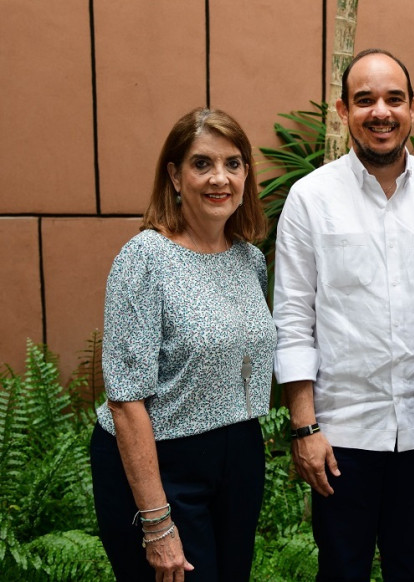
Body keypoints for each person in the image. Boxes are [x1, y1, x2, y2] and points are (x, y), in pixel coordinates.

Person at [272, 48, 414, 581]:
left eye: (393, 99)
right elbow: (293, 317)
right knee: (340, 568)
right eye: (364, 100)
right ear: (343, 111)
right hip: (342, 434)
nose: (380, 112)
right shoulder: (310, 199)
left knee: (413, 568)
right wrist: (304, 426)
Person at [90, 107, 277, 582]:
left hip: (238, 459)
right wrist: (156, 522)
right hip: (163, 464)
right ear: (174, 175)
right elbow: (126, 399)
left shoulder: (249, 260)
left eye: (233, 164)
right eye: (202, 164)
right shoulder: (145, 259)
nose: (220, 178)